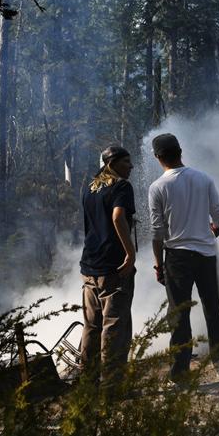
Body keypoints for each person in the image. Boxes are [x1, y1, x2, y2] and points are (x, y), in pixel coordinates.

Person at [147, 133, 219, 380]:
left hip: (177, 257)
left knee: (179, 314)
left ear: (157, 157)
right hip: (206, 254)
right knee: (213, 309)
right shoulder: (203, 178)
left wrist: (157, 263)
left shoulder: (158, 187)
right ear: (180, 151)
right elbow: (218, 213)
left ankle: (180, 371)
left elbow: (157, 231)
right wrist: (215, 227)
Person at [79, 145, 136, 381]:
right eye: (126, 162)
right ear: (110, 164)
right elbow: (117, 216)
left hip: (90, 266)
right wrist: (130, 254)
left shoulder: (90, 187)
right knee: (114, 326)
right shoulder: (122, 186)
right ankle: (112, 385)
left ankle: (87, 382)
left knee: (92, 325)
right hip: (113, 267)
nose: (131, 167)